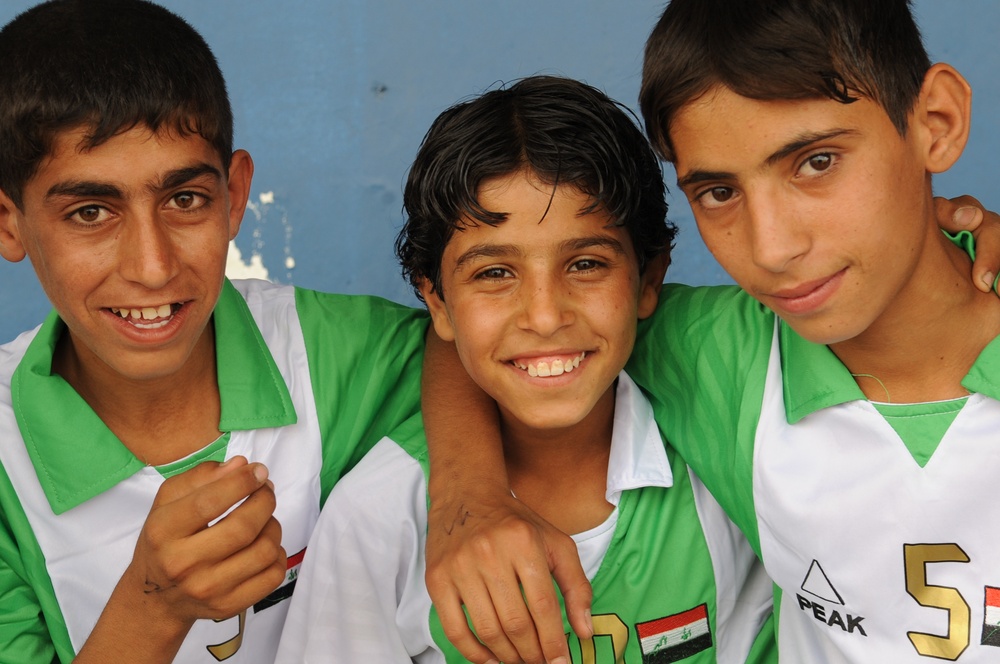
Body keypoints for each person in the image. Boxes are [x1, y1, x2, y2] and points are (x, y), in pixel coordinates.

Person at [418, 1, 1000, 662]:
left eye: (816, 163)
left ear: (938, 122)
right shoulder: (723, 357)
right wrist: (469, 496)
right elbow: (470, 334)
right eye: (719, 192)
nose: (773, 246)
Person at [276, 75, 776, 664]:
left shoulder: (721, 463)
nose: (543, 316)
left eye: (586, 263)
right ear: (436, 301)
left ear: (649, 279)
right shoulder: (379, 515)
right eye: (493, 273)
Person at [0, 1, 429, 661]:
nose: (152, 266)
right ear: (9, 223)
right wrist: (152, 608)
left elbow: (465, 361)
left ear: (233, 197)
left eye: (184, 200)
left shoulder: (330, 352)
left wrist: (476, 490)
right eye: (91, 211)